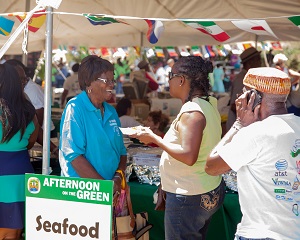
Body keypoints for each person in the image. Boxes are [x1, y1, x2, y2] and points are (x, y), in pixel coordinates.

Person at [130, 56, 225, 239]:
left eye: (170, 75)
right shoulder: (208, 104)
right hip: (203, 189)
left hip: (190, 195)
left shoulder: (192, 112)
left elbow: (189, 156)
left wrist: (154, 138)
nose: (168, 80)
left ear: (181, 80)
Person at [206, 67, 300, 240]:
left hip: (260, 234)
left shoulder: (256, 133)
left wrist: (239, 124)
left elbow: (211, 166)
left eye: (243, 93)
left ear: (253, 97)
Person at [59, 55, 127, 197]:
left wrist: (117, 177)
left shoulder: (111, 111)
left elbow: (121, 152)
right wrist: (104, 188)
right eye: (106, 80)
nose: (112, 84)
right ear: (89, 82)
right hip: (82, 194)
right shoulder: (75, 108)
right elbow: (74, 157)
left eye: (112, 80)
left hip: (110, 192)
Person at [0, 63, 39, 239]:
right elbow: (32, 140)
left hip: (3, 175)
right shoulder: (28, 110)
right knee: (14, 233)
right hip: (21, 177)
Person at [5, 59, 59, 157]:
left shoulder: (31, 92)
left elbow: (37, 124)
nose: (23, 82)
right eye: (19, 79)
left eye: (24, 78)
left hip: (41, 136)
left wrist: (54, 149)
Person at [226, 47, 261, 132]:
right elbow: (234, 105)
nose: (260, 62)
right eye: (258, 59)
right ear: (250, 62)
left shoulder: (249, 78)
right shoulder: (242, 79)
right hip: (237, 128)